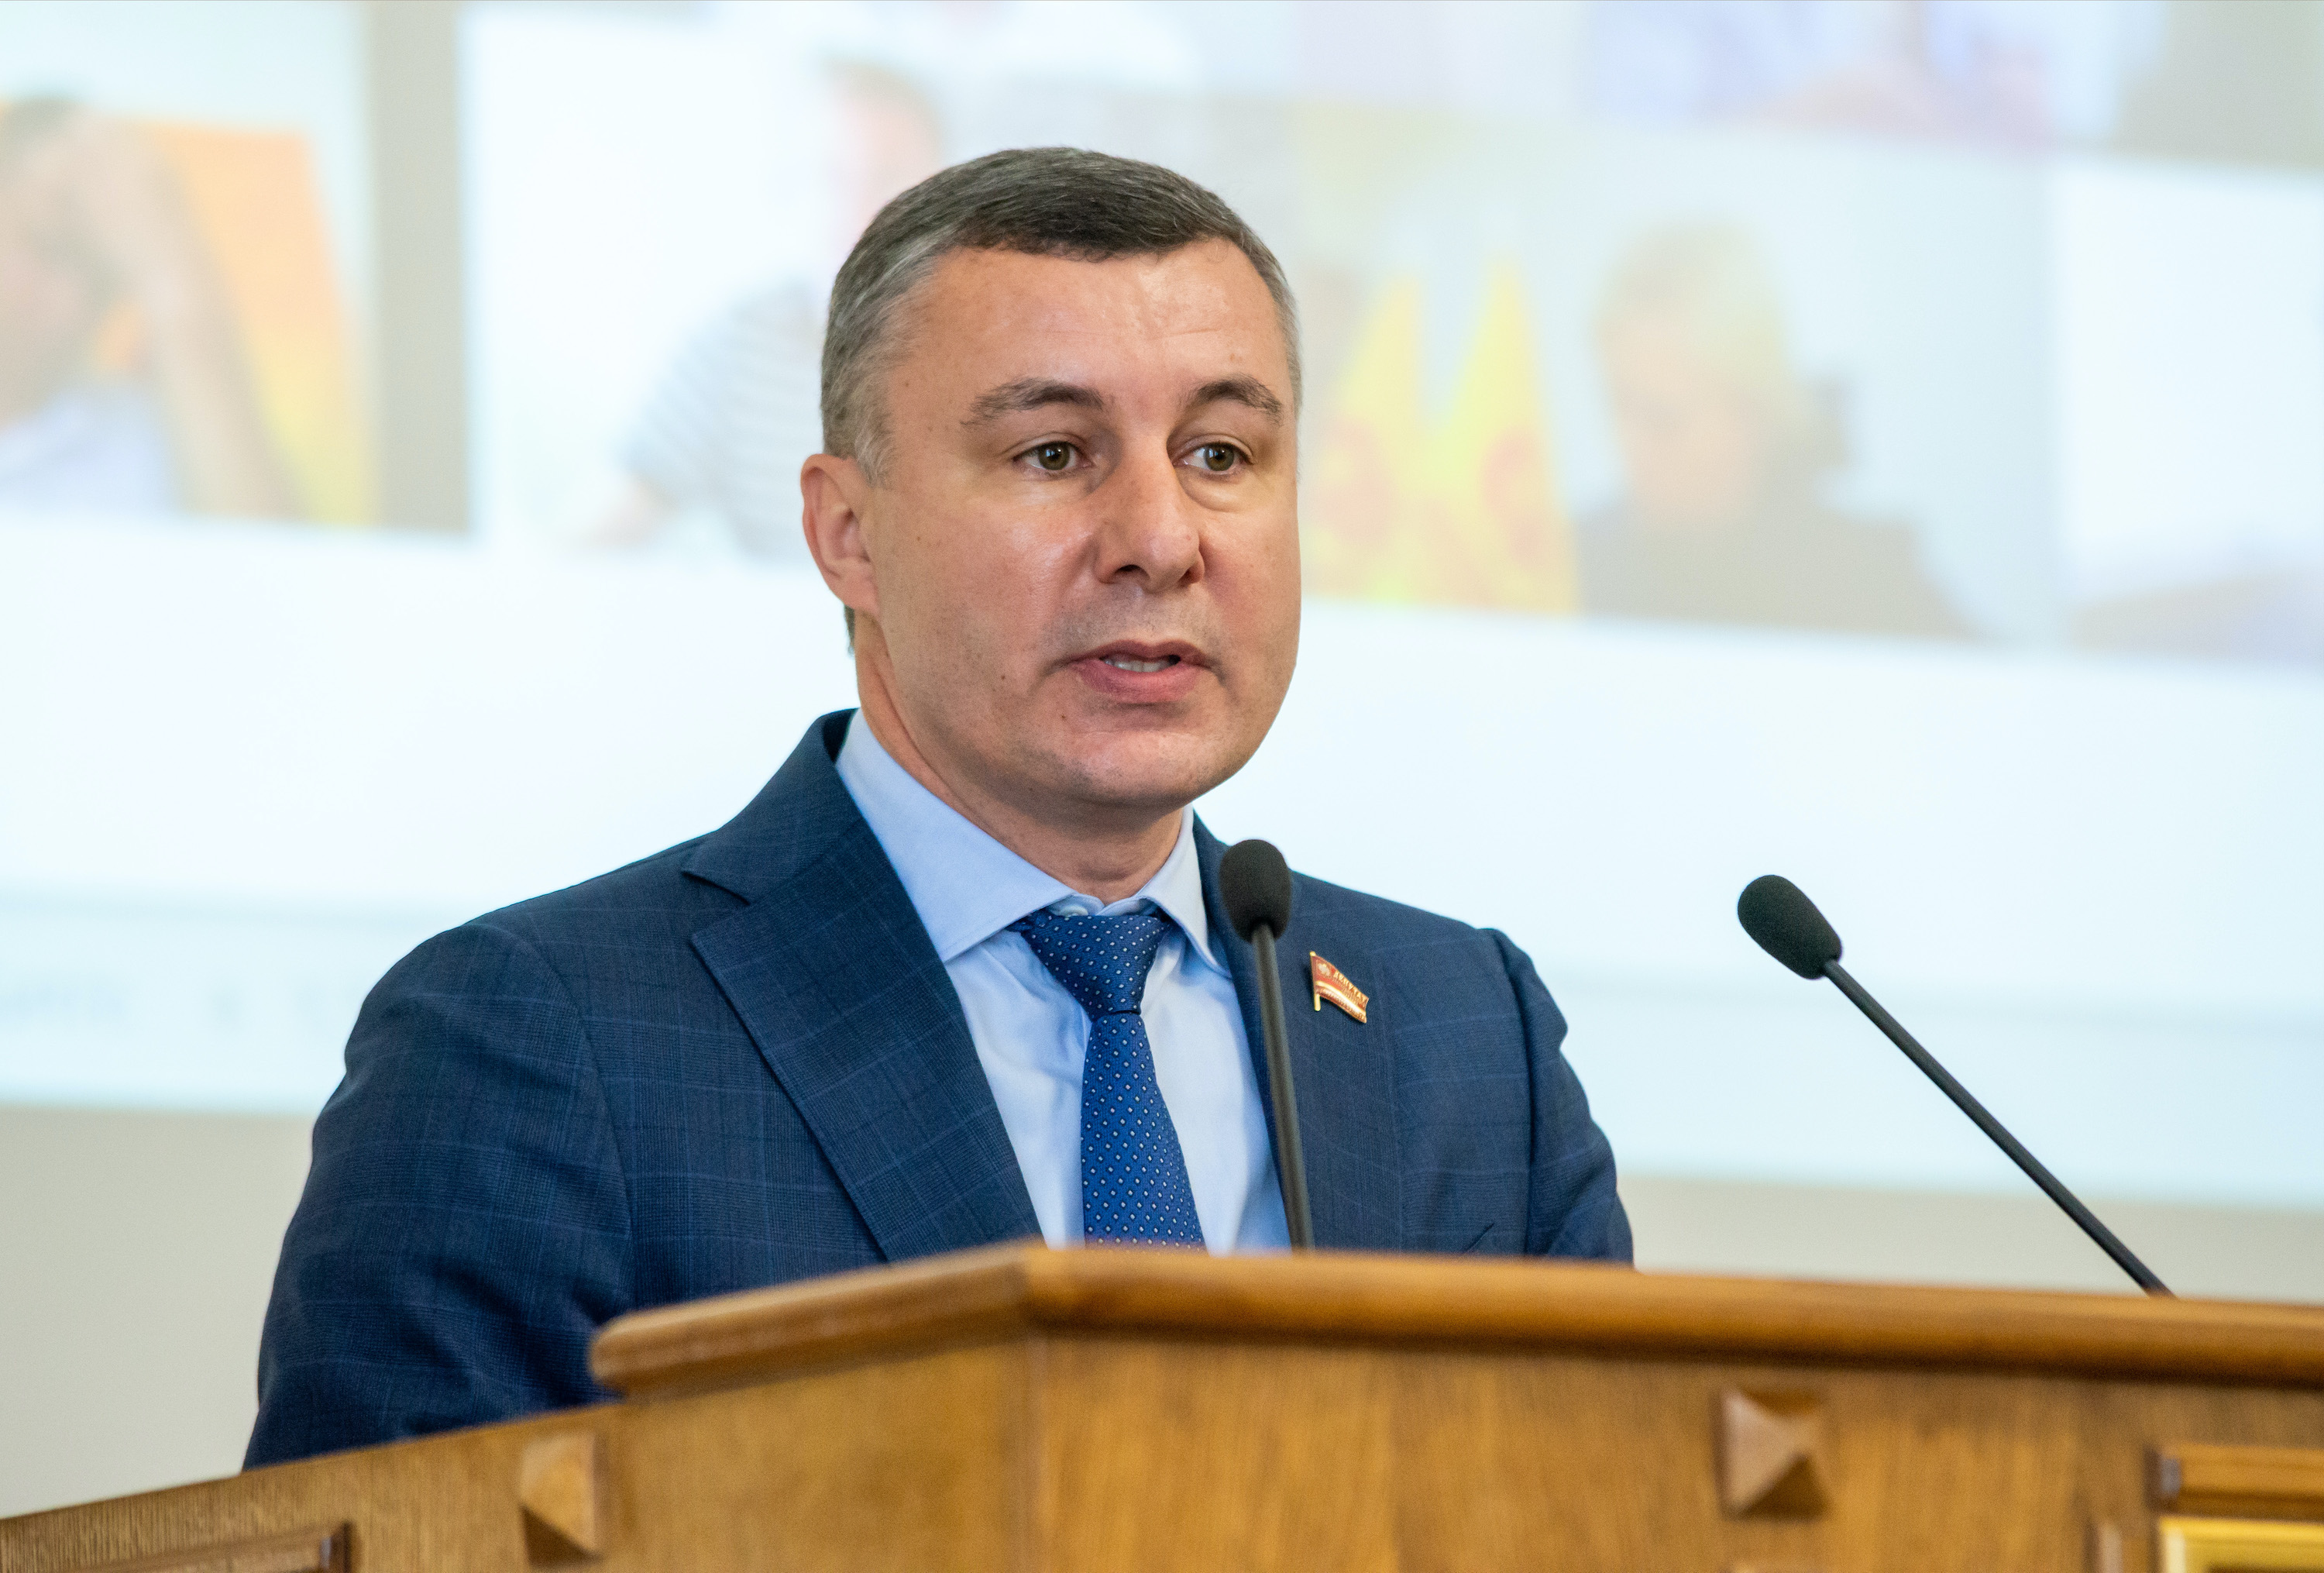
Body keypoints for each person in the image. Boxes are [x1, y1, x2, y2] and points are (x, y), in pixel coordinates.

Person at [247, 148, 1629, 1466]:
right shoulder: (536, 1043)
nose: (1161, 540)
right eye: (1054, 454)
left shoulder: (1468, 1037)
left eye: (1220, 454)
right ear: (846, 533)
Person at [588, 63, 945, 559]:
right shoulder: (737, 345)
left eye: (886, 176)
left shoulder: (996, 346)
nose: (856, 206)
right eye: (829, 176)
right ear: (791, 188)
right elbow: (601, 528)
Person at [1577, 224, 1968, 638]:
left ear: (1751, 408)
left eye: (1663, 419)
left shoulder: (1872, 587)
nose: (1630, 448)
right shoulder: (1571, 576)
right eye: (1617, 406)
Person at [0, 98, 294, 518]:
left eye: (102, 279)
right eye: (49, 248)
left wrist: (177, 295)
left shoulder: (145, 443)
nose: (72, 307)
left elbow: (267, 552)